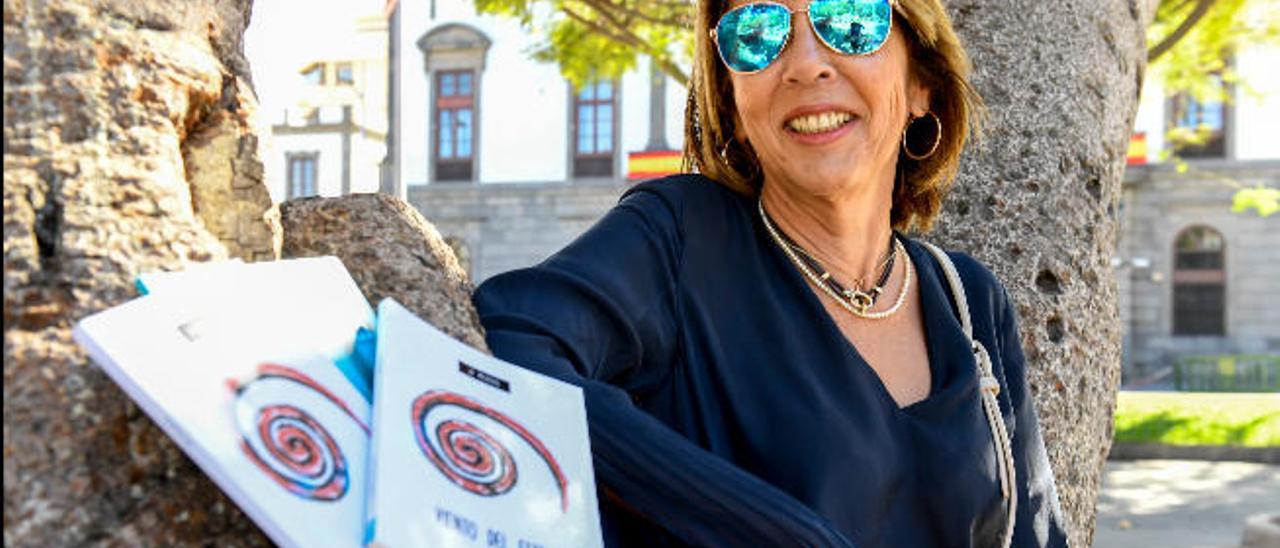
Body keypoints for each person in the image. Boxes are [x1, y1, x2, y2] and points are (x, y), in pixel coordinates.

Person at [472, 0, 1069, 545]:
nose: (805, 65)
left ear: (921, 84)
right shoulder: (681, 240)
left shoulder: (969, 299)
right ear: (732, 99)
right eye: (757, 35)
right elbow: (509, 346)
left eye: (851, 21)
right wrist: (778, 533)